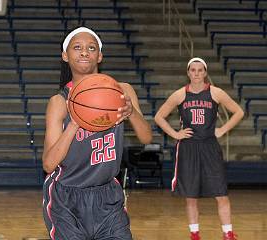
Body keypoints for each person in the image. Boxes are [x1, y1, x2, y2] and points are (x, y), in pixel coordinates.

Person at [42, 26, 153, 240]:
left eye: (91, 48)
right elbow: (48, 164)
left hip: (107, 194)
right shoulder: (59, 102)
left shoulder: (122, 91)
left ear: (100, 56)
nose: (84, 52)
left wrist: (131, 113)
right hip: (66, 196)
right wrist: (74, 123)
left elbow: (146, 137)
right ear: (65, 56)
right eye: (77, 47)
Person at [154, 57, 244, 240]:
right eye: (193, 70)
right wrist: (175, 134)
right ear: (188, 72)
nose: (196, 73)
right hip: (188, 148)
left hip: (210, 146)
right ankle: (194, 233)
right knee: (191, 195)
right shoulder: (180, 94)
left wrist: (223, 129)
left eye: (200, 70)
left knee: (221, 193)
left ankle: (228, 233)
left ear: (205, 72)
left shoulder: (215, 92)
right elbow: (159, 117)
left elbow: (239, 112)